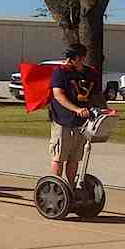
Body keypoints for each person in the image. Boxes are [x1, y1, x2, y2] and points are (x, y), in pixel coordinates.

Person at [48, 43, 99, 184]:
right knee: (59, 157)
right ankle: (56, 187)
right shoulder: (60, 72)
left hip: (82, 123)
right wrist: (76, 109)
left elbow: (96, 95)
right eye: (67, 58)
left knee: (74, 158)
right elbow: (58, 95)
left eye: (72, 58)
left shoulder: (90, 73)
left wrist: (104, 109)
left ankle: (70, 188)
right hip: (62, 120)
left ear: (82, 58)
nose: (67, 61)